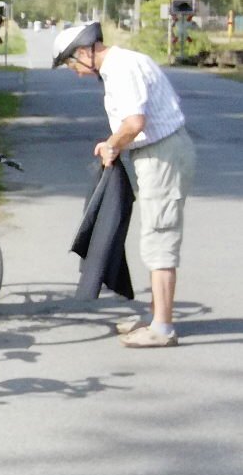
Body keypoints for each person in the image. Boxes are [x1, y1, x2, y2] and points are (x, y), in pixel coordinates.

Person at [52, 22, 197, 347]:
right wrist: (115, 144)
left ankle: (162, 328)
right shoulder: (123, 63)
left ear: (84, 51)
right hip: (159, 152)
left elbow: (134, 123)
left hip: (162, 156)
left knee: (159, 237)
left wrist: (112, 144)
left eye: (72, 65)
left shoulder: (121, 69)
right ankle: (156, 316)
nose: (76, 73)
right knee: (154, 234)